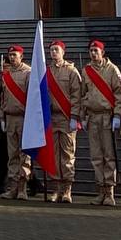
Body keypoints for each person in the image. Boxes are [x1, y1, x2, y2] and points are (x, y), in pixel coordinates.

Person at [81, 40, 121, 206]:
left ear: (102, 52)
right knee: (96, 156)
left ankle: (109, 192)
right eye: (91, 50)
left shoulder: (112, 69)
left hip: (107, 116)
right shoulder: (86, 71)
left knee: (109, 155)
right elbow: (82, 94)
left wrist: (118, 115)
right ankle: (100, 190)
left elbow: (120, 93)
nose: (93, 53)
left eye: (96, 50)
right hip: (92, 117)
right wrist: (82, 116)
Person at [45, 41, 83, 203]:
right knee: (53, 155)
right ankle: (57, 188)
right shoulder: (46, 72)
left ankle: (67, 189)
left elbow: (77, 96)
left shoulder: (72, 71)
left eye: (56, 50)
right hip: (52, 118)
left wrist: (75, 116)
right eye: (52, 50)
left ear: (63, 52)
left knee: (67, 155)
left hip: (66, 118)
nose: (54, 53)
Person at [0, 45, 32, 200]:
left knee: (24, 154)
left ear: (21, 56)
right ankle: (13, 188)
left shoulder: (29, 72)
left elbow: (32, 97)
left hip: (24, 117)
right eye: (10, 55)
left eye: (14, 55)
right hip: (10, 118)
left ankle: (22, 188)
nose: (12, 57)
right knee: (12, 155)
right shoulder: (7, 74)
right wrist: (2, 117)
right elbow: (3, 98)